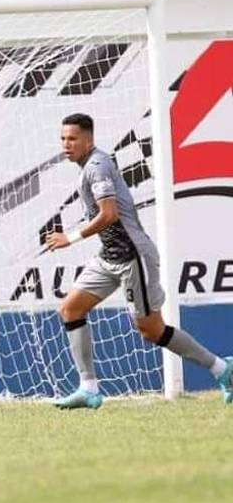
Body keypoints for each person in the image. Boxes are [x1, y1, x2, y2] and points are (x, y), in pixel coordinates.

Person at [45, 114, 231, 409]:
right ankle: (88, 388)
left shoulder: (98, 165)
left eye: (73, 139)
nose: (67, 144)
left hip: (133, 257)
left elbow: (109, 214)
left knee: (151, 330)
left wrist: (71, 237)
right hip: (110, 256)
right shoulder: (87, 167)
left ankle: (222, 369)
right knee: (70, 308)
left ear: (89, 140)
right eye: (63, 139)